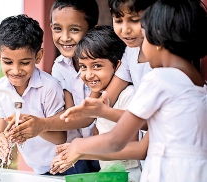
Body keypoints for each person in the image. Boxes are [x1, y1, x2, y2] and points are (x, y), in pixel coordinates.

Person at [55, 0, 207, 181]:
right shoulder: (199, 84)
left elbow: (116, 140)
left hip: (168, 173)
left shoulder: (159, 79)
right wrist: (103, 111)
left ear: (157, 39)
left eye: (144, 36)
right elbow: (149, 122)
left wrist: (79, 145)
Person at [5, 0, 101, 174]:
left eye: (74, 29)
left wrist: (42, 124)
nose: (64, 37)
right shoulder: (60, 66)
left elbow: (88, 115)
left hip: (106, 149)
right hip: (80, 152)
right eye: (57, 29)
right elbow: (69, 115)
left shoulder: (101, 65)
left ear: (92, 29)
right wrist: (33, 124)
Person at [50, 25, 143, 182]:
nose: (88, 74)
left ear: (118, 65)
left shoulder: (128, 96)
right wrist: (75, 149)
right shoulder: (100, 100)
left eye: (97, 66)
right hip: (109, 175)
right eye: (83, 67)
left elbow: (128, 149)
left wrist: (83, 149)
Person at [0, 14, 67, 174]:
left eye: (24, 63)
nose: (16, 70)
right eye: (8, 62)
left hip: (66, 164)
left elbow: (61, 137)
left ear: (38, 56)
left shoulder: (49, 87)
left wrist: (36, 128)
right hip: (38, 170)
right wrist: (1, 141)